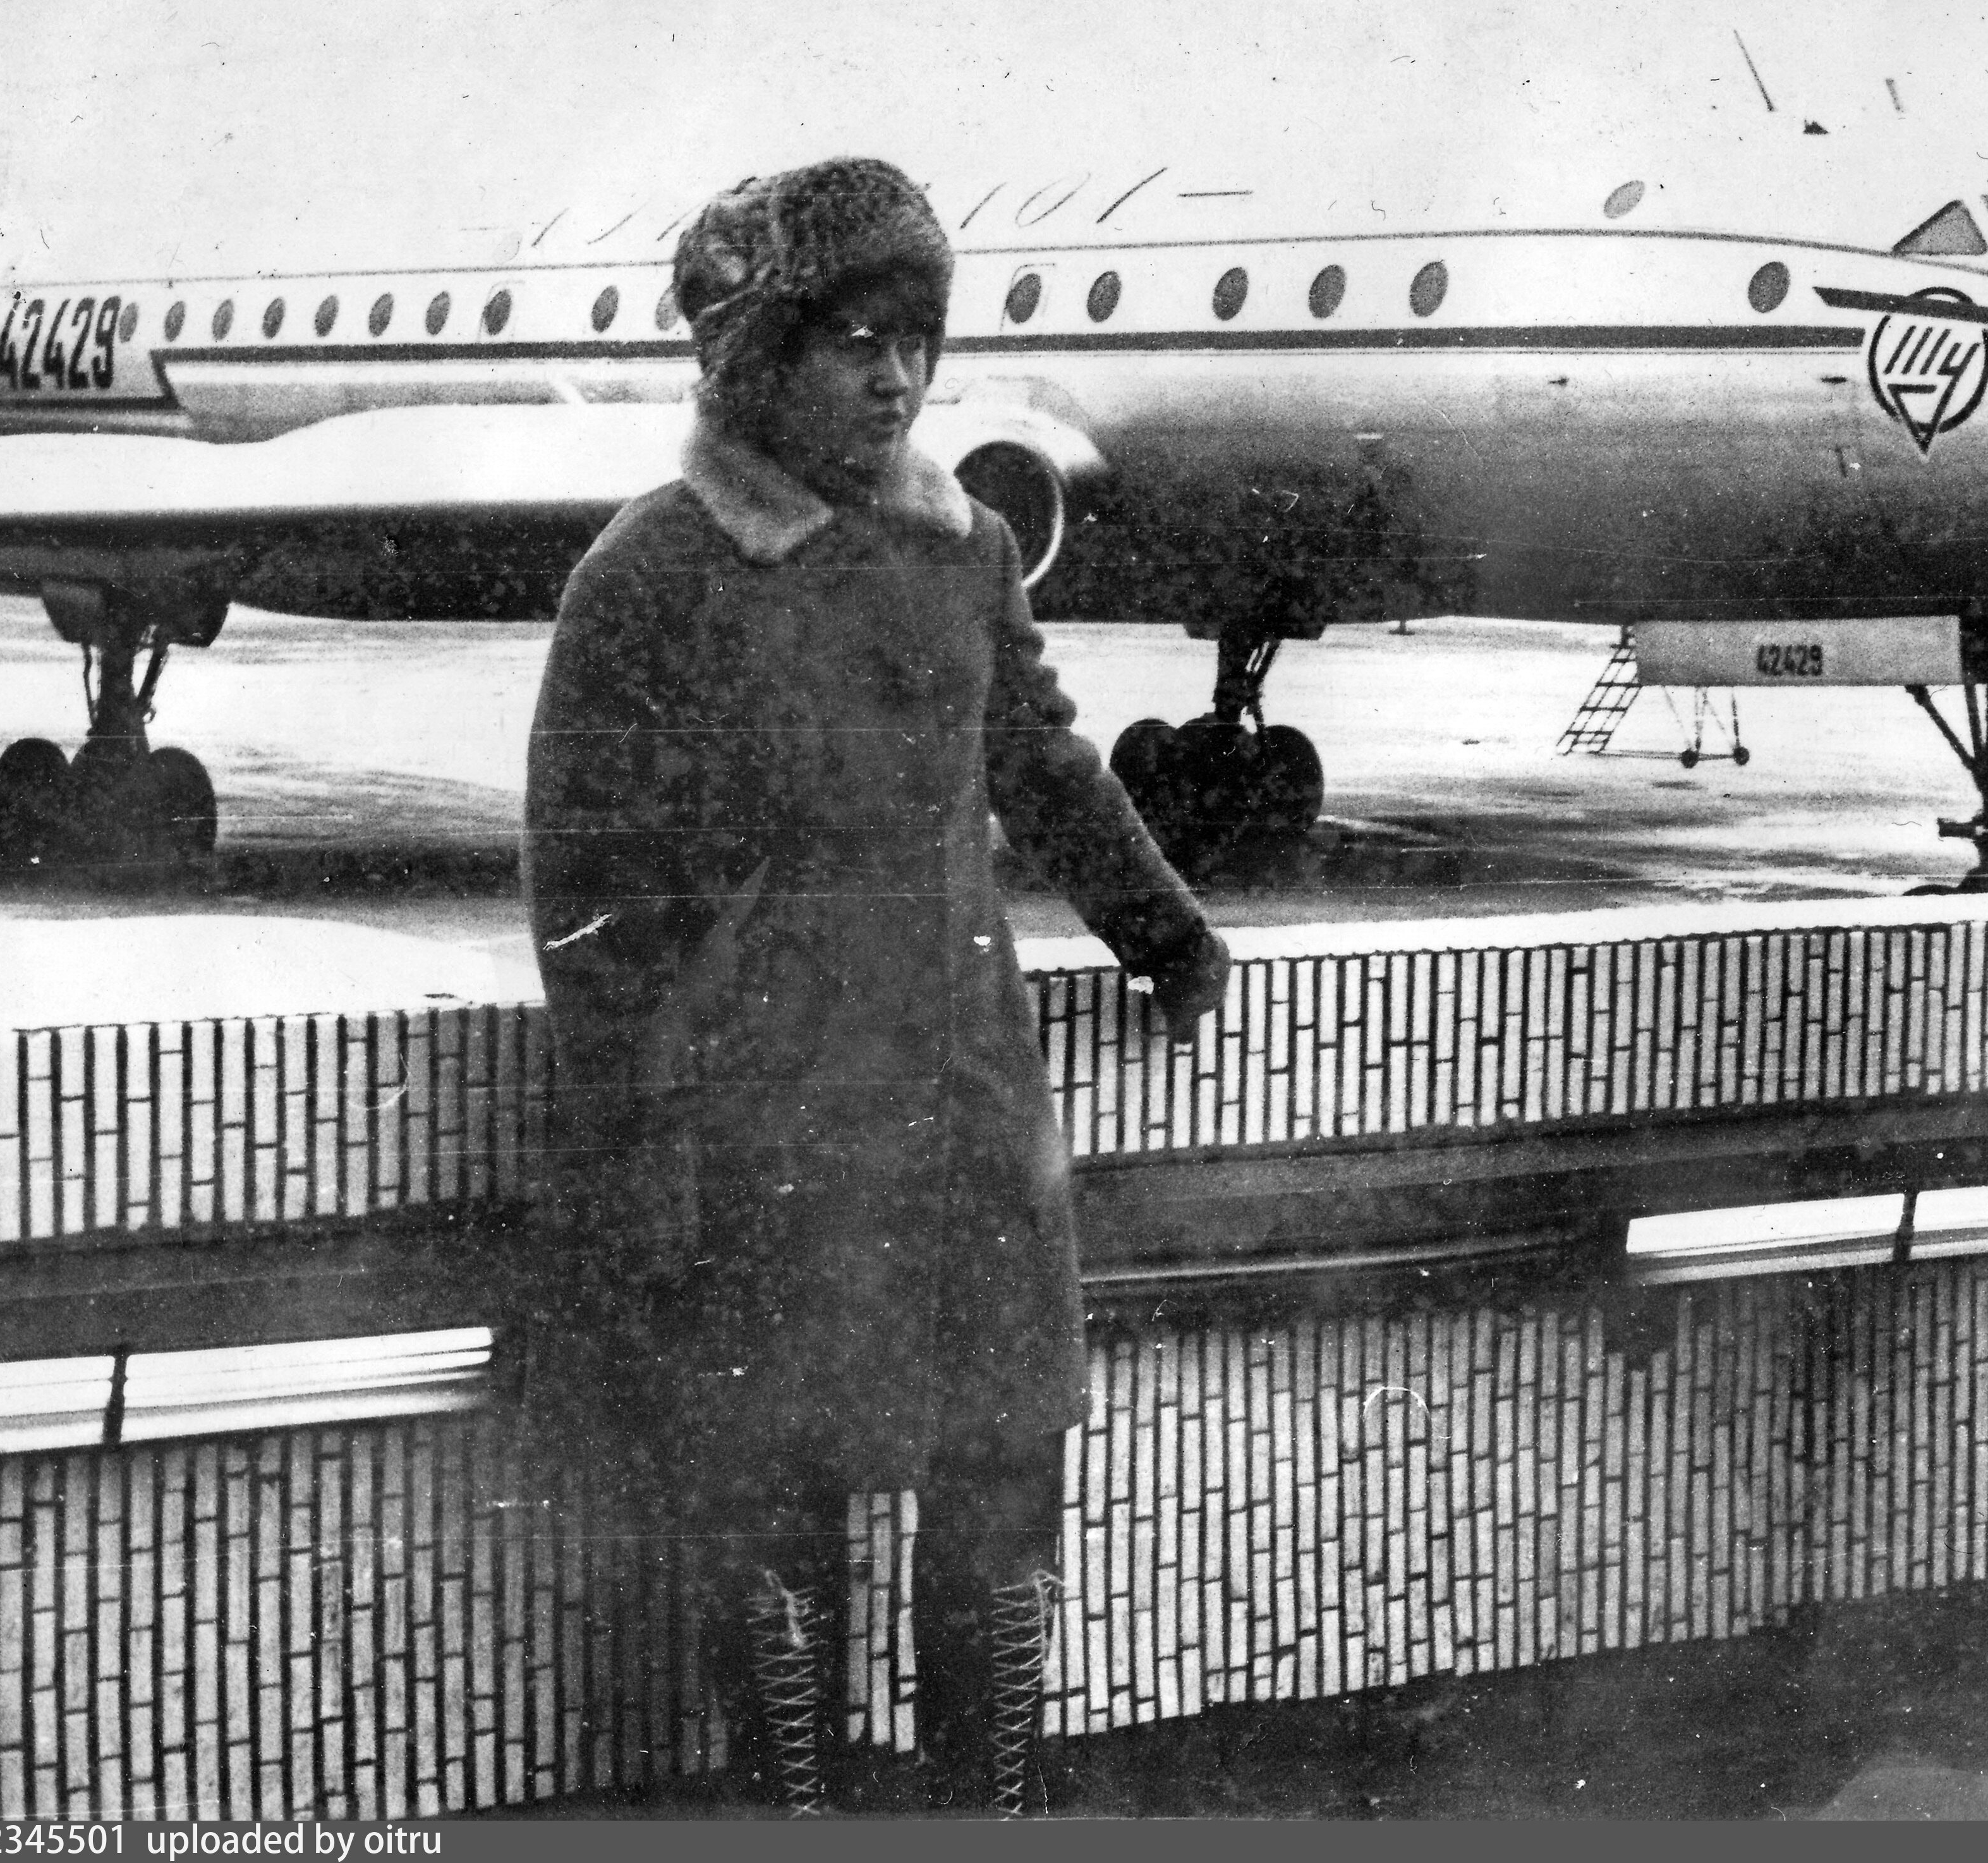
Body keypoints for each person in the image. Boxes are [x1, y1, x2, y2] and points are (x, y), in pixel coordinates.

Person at [519, 156, 1230, 1816]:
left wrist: (1165, 933)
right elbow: (590, 898)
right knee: (774, 1501)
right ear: (755, 360)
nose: (896, 377)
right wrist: (643, 1142)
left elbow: (1037, 758)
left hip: (972, 1111)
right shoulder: (651, 571)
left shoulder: (965, 548)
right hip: (765, 1130)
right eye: (852, 342)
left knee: (1002, 1478)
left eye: (915, 340)